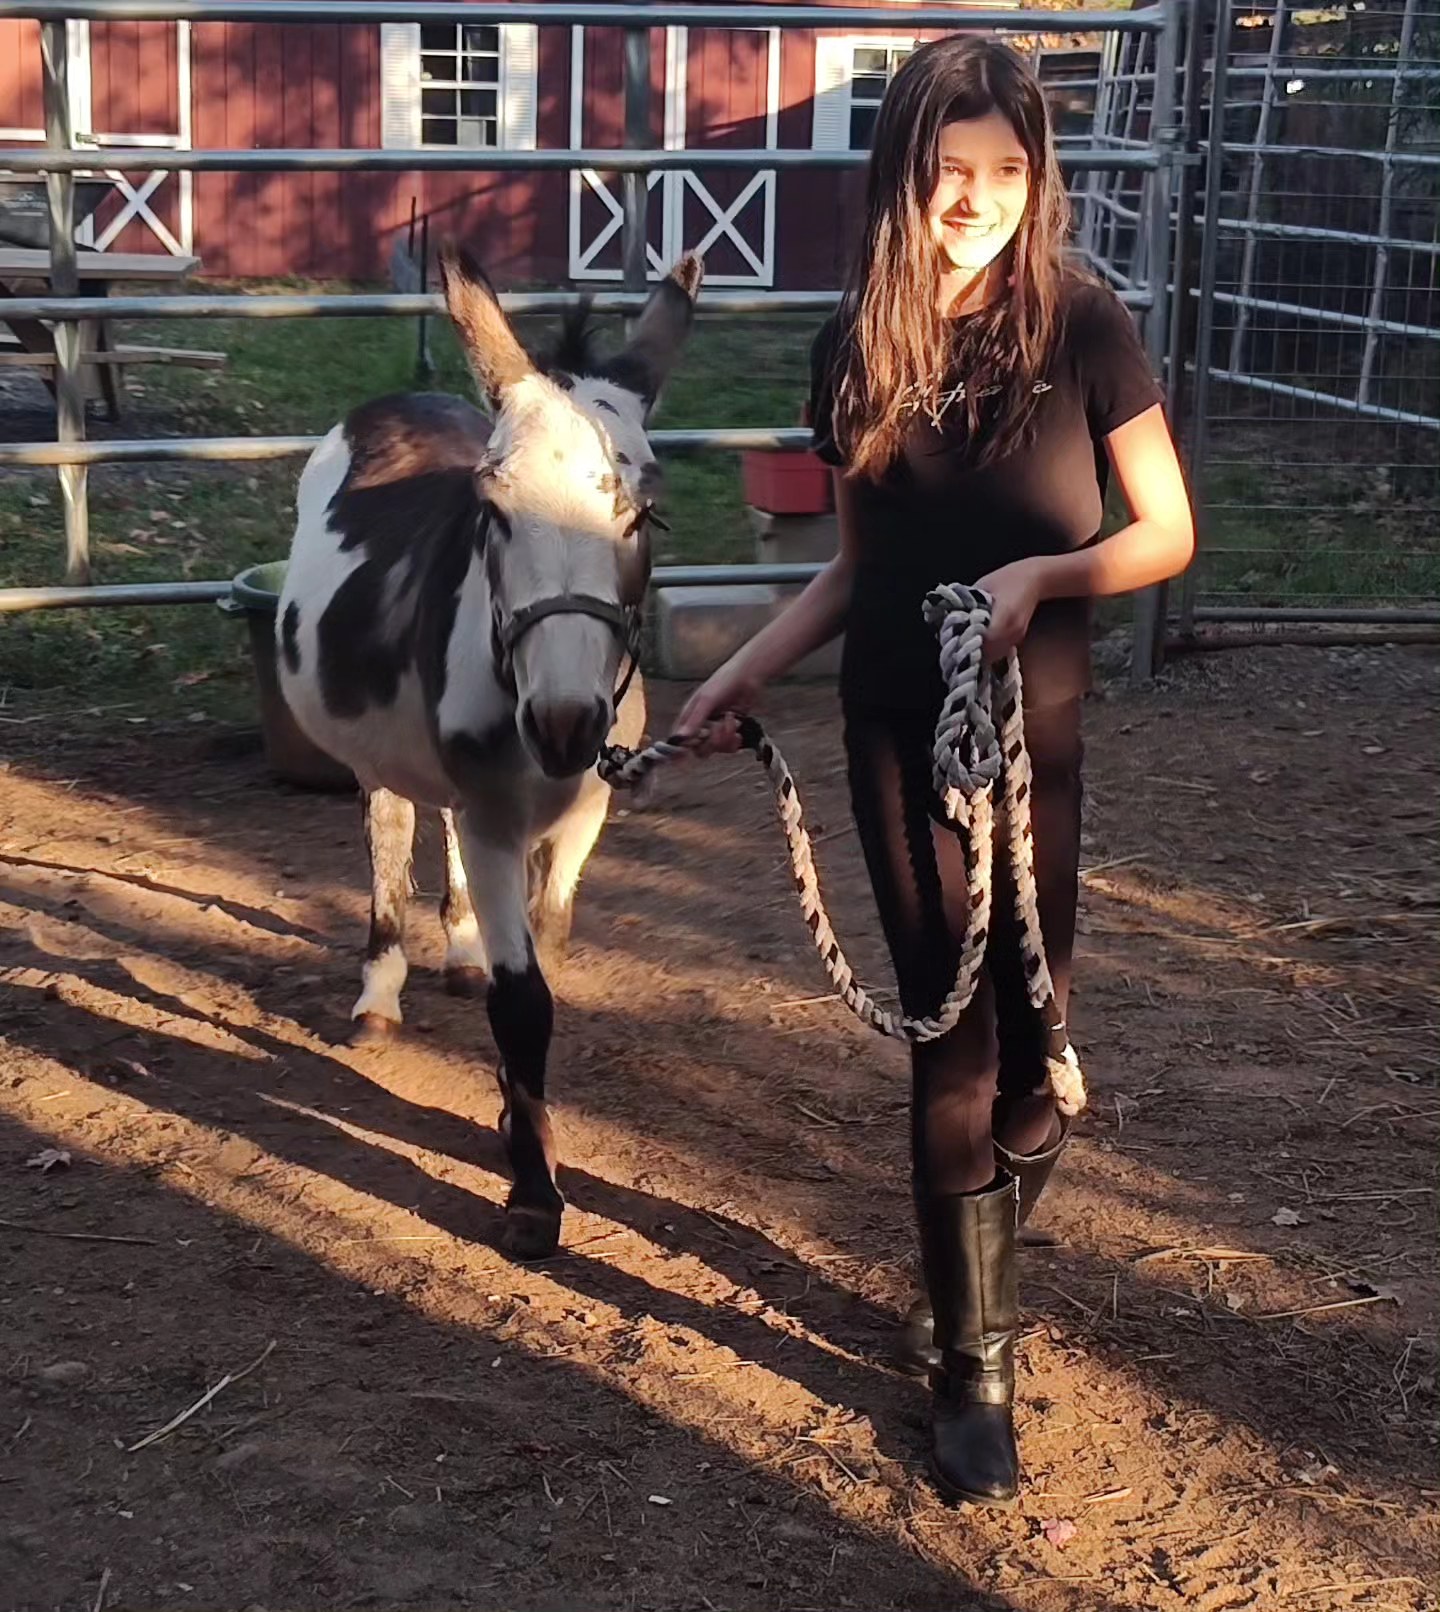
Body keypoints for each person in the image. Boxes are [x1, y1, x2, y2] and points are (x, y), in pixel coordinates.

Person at [674, 35, 1195, 1509]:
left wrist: (1044, 570)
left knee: (1042, 1062)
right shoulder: (857, 346)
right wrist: (739, 670)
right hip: (900, 731)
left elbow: (1165, 534)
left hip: (1039, 743)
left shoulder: (1085, 329)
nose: (977, 200)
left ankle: (976, 1265)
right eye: (951, 170)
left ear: (1038, 180)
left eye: (1007, 173)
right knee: (952, 1047)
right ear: (907, 172)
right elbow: (853, 568)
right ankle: (975, 1362)